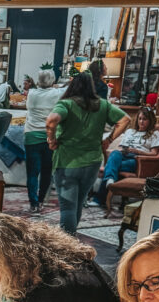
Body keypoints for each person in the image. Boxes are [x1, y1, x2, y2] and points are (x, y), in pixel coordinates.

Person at [46, 71, 129, 234]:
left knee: (68, 207)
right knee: (77, 203)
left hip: (67, 161)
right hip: (92, 161)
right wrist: (109, 139)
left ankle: (66, 245)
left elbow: (51, 120)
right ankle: (71, 241)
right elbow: (125, 119)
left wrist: (51, 140)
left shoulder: (66, 104)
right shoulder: (103, 105)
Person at [94, 105, 159, 206]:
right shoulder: (130, 131)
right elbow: (121, 147)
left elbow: (154, 153)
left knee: (111, 167)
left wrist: (137, 151)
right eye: (139, 119)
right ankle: (109, 181)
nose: (141, 122)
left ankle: (99, 199)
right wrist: (124, 150)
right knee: (115, 153)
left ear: (150, 121)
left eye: (144, 119)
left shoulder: (154, 134)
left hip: (137, 159)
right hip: (124, 154)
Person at [23, 68, 65, 212]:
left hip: (31, 136)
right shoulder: (57, 93)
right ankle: (41, 200)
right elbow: (69, 88)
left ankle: (33, 203)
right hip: (49, 136)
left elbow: (28, 107)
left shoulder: (32, 93)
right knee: (46, 171)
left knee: (32, 173)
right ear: (52, 81)